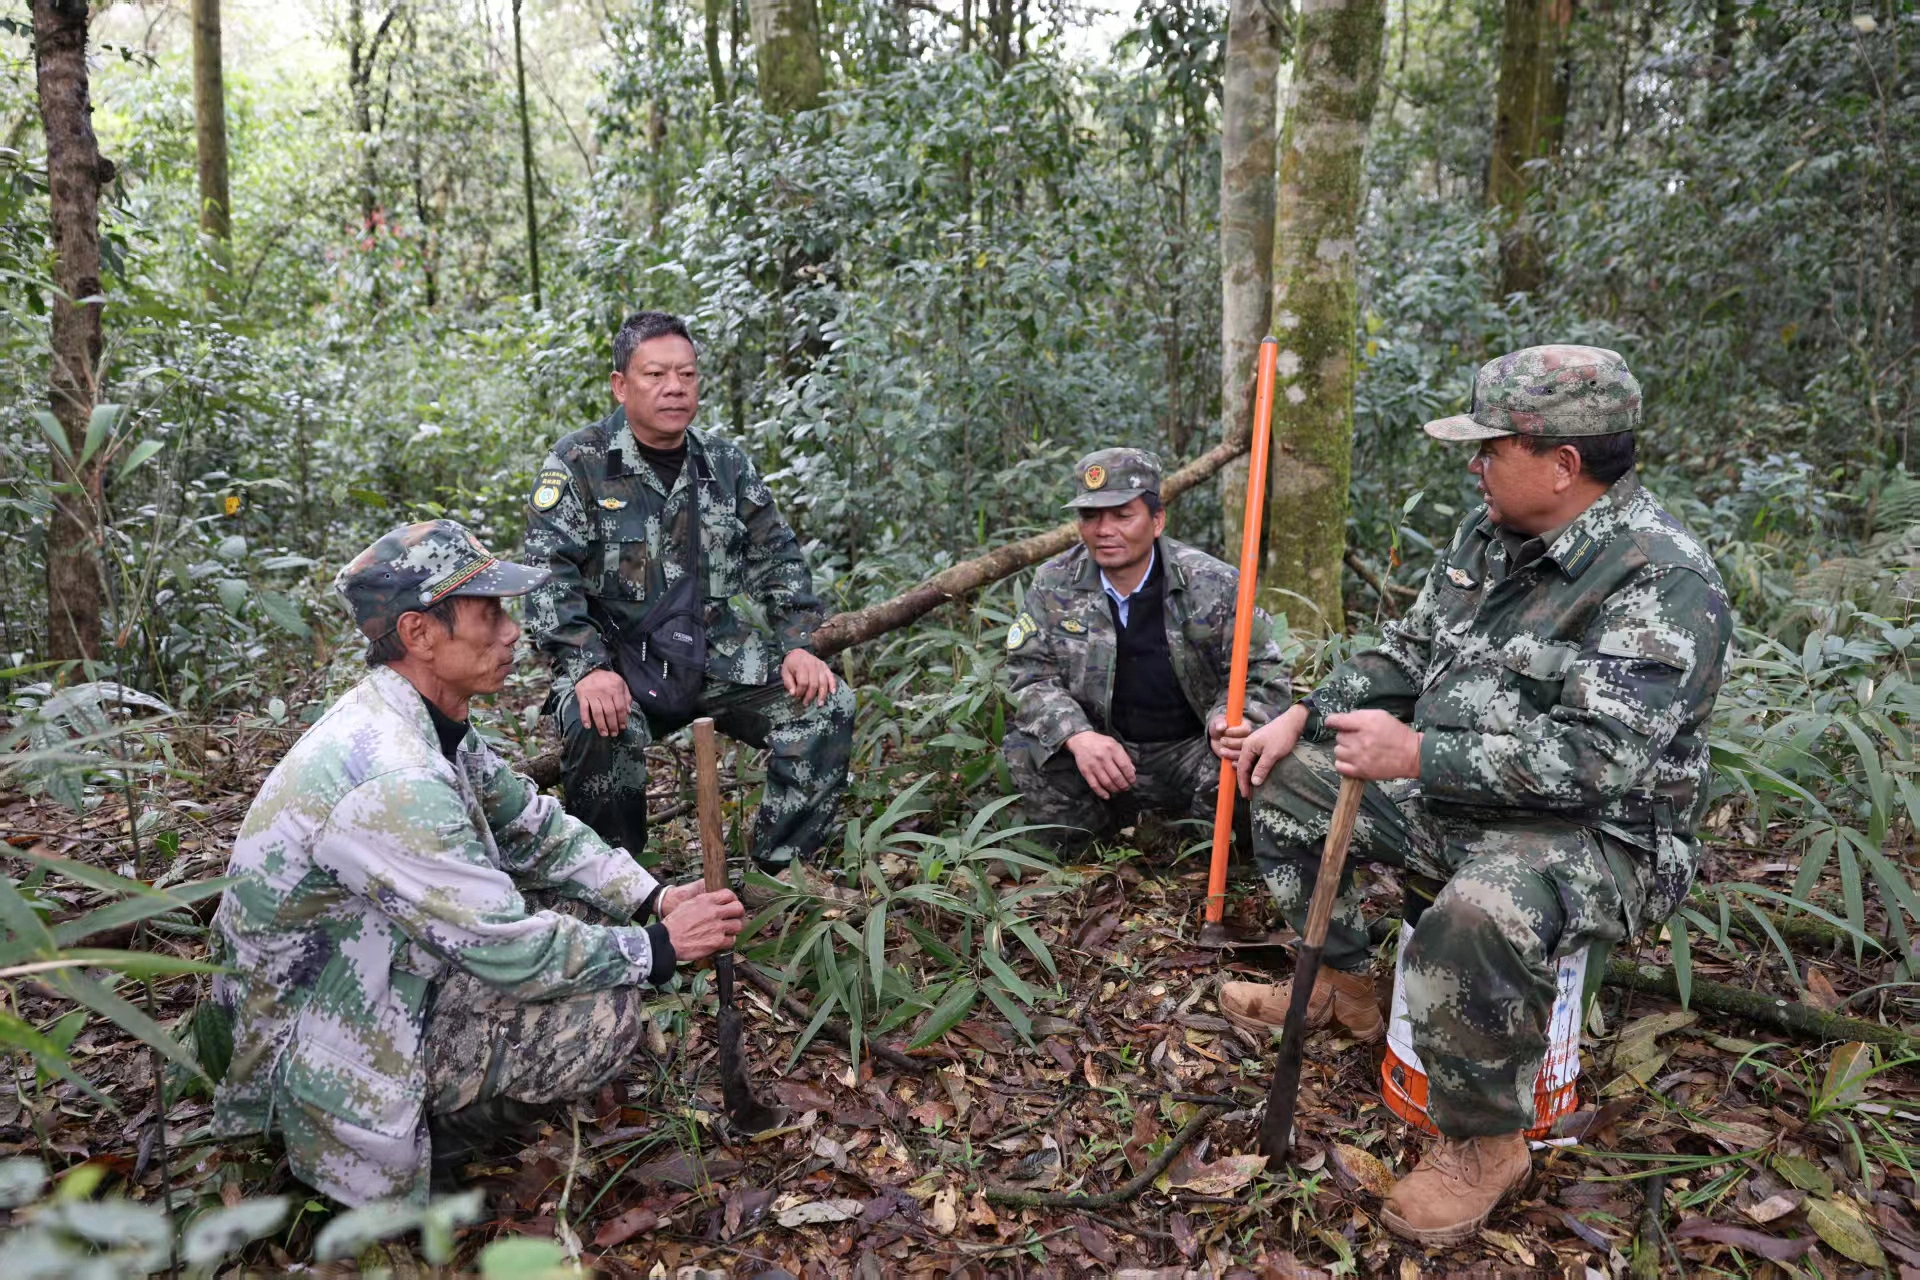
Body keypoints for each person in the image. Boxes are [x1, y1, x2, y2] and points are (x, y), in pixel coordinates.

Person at [1224, 346, 1732, 1246]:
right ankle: (1337, 986)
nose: (1475, 464)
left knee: (1479, 912)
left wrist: (1418, 753)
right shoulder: (1490, 533)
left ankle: (1487, 1142)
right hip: (1460, 796)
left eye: (1490, 447)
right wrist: (1303, 713)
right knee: (1284, 777)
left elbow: (1597, 760)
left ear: (1562, 464)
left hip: (1601, 834)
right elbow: (1409, 648)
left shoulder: (1661, 581)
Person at [209, 521, 747, 1207]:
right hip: (305, 1041)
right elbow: (509, 951)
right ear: (419, 634)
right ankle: (413, 1145)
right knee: (600, 1016)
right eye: (488, 614)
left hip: (367, 971)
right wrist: (660, 948)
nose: (512, 632)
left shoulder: (430, 723)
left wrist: (651, 899)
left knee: (587, 915)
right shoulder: (394, 777)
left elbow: (531, 824)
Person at [524, 311, 854, 885]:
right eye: (655, 375)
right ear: (621, 385)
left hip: (713, 652)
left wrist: (799, 644)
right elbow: (546, 576)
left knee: (825, 704)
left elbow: (778, 557)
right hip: (619, 659)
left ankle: (783, 875)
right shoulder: (579, 464)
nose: (674, 387)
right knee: (595, 721)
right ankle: (617, 889)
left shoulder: (725, 466)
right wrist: (585, 667)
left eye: (687, 374)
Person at [1001, 448, 1291, 854]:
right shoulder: (1054, 584)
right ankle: (1084, 854)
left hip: (1190, 752)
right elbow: (1028, 674)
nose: (1104, 530)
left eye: (1122, 515)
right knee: (1025, 748)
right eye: (1090, 517)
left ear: (1157, 521)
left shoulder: (1213, 583)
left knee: (1256, 761)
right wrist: (1077, 735)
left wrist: (1229, 718)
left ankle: (1204, 851)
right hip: (1104, 752)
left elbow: (1262, 672)